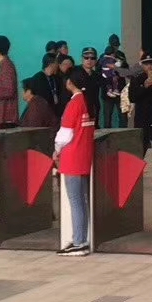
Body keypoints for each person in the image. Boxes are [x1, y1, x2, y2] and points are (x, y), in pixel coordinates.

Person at [55, 67, 98, 256]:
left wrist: (56, 150)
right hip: (84, 156)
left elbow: (64, 134)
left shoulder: (74, 104)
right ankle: (80, 239)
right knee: (82, 200)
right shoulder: (88, 102)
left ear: (70, 83)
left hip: (71, 157)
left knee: (75, 201)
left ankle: (79, 241)